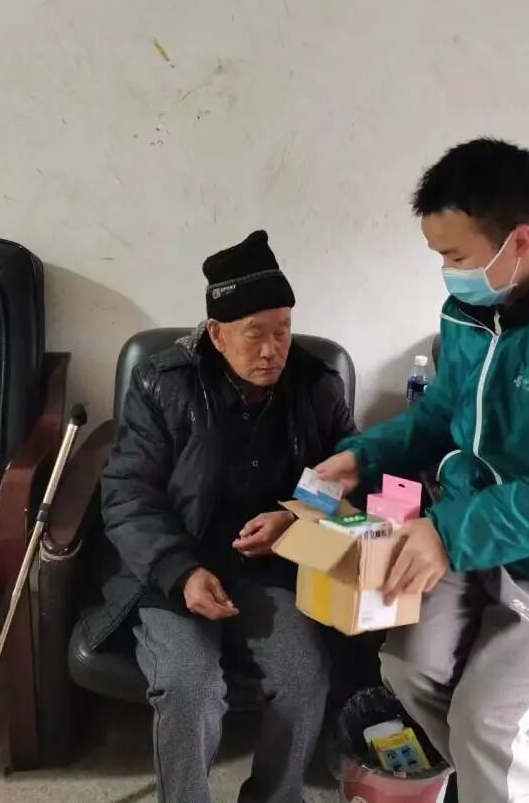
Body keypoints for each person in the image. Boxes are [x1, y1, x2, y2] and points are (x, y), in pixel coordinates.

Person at [317, 138, 529, 802]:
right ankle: (497, 779)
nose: (447, 273)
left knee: (487, 719)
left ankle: (496, 773)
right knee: (407, 667)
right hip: (472, 526)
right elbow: (441, 411)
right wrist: (364, 456)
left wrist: (447, 533)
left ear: (519, 241)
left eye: (455, 256)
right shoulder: (471, 311)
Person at [91, 230, 357, 803]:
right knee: (188, 685)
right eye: (254, 334)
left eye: (282, 330)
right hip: (172, 565)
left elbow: (348, 472)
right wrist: (181, 571)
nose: (272, 350)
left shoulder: (316, 387)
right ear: (216, 333)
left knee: (304, 678)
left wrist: (295, 518)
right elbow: (128, 493)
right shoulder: (163, 384)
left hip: (269, 566)